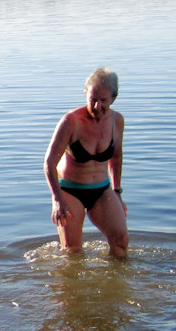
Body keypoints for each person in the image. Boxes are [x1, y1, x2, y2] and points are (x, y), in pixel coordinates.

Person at [44, 68, 128, 259]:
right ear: (85, 94)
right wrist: (57, 199)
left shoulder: (117, 121)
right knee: (72, 253)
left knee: (121, 243)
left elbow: (116, 157)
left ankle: (115, 287)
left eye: (103, 101)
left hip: (101, 190)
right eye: (93, 99)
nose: (97, 106)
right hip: (69, 191)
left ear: (113, 98)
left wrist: (117, 192)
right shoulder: (71, 121)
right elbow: (49, 163)